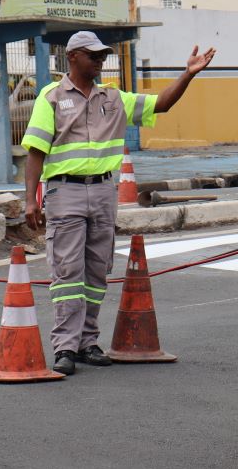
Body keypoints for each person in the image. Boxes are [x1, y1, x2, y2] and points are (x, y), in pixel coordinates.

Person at [23, 31, 215, 376]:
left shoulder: (113, 98)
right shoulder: (50, 98)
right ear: (73, 57)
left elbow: (162, 104)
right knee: (67, 273)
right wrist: (30, 200)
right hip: (64, 192)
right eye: (93, 55)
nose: (100, 60)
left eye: (102, 55)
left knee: (97, 270)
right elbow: (36, 151)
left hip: (103, 193)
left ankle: (87, 342)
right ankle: (65, 346)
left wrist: (188, 74)